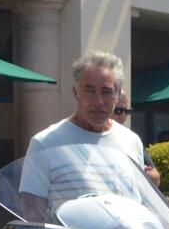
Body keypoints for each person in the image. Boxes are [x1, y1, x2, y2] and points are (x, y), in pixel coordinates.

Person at [20, 51, 145, 219]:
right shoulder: (45, 143)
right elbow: (32, 216)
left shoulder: (131, 141)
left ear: (117, 94)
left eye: (106, 92)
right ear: (75, 92)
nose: (99, 101)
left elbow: (140, 204)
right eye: (90, 91)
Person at [111, 89, 161, 186]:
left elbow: (156, 178)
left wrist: (144, 174)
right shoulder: (89, 138)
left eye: (127, 111)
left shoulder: (131, 139)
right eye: (118, 111)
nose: (123, 116)